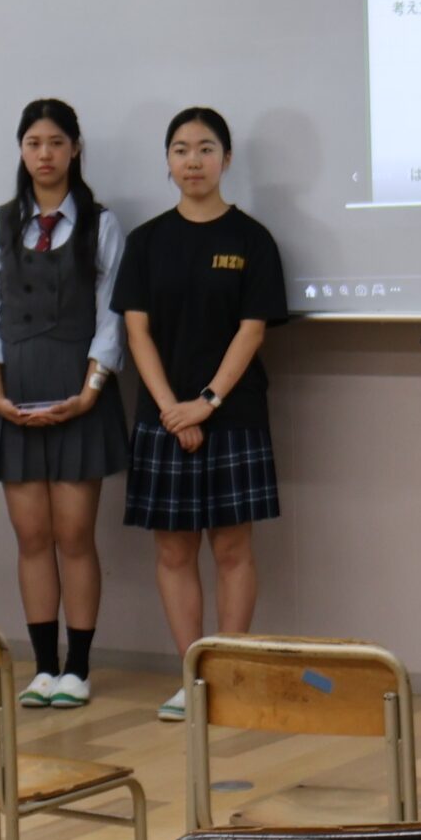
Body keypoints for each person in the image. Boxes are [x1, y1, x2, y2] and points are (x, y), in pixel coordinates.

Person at [112, 108, 290, 722]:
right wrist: (172, 410)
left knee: (233, 549)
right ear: (167, 161)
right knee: (173, 551)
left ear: (227, 159)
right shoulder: (146, 242)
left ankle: (229, 675)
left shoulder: (252, 239)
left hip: (233, 414)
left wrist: (205, 403)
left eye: (206, 148)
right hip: (163, 417)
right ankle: (192, 678)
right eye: (182, 149)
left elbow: (252, 330)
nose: (194, 160)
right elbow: (137, 333)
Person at [0, 98, 129, 710]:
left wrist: (90, 392)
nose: (45, 154)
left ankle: (78, 668)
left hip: (79, 391)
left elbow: (112, 318)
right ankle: (42, 667)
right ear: (21, 149)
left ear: (75, 149)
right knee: (32, 536)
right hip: (12, 393)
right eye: (34, 143)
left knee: (74, 535)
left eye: (56, 142)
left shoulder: (100, 224)